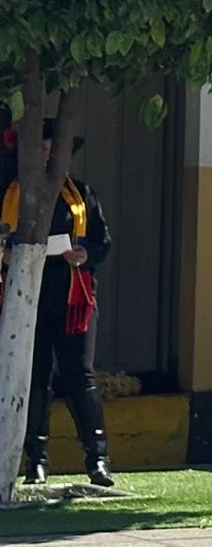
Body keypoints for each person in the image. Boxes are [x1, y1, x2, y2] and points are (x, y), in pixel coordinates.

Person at [3, 122, 114, 488]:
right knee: (34, 377)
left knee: (79, 376)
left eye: (55, 150)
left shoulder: (82, 194)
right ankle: (36, 462)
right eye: (42, 150)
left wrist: (87, 253)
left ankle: (98, 460)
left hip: (72, 298)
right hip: (26, 298)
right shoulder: (11, 194)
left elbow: (102, 242)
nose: (49, 156)